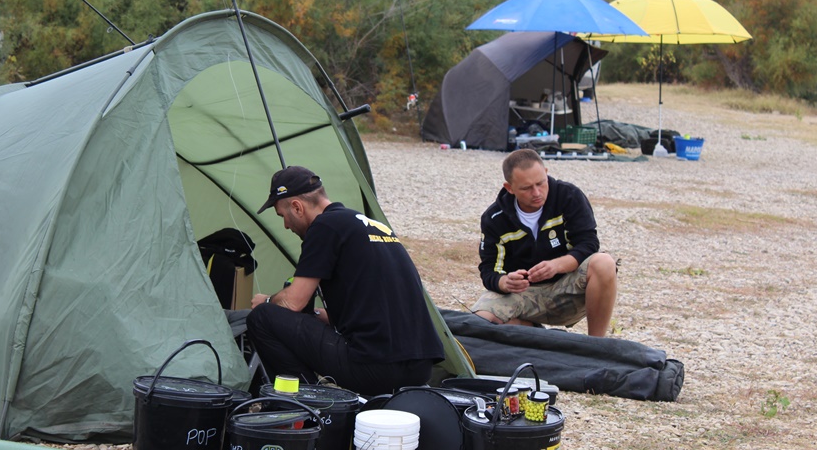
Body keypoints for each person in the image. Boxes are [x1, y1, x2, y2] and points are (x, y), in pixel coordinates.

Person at [246, 166, 444, 395]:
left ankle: (308, 406)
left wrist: (268, 301)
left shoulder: (323, 227)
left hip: (374, 367)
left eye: (283, 216)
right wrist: (315, 315)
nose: (286, 226)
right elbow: (368, 314)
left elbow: (293, 302)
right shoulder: (369, 226)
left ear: (297, 207)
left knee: (262, 318)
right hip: (419, 367)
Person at [472, 149, 617, 337]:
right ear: (509, 188)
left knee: (604, 263)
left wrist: (556, 265)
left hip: (569, 290)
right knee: (479, 321)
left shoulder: (568, 196)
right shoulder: (494, 218)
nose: (537, 193)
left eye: (541, 183)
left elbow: (588, 243)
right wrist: (505, 282)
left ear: (546, 173)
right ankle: (532, 331)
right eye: (526, 188)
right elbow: (488, 270)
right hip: (523, 295)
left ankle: (596, 345)